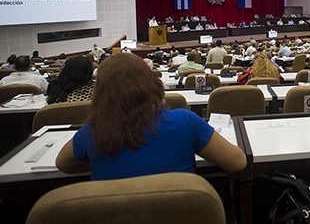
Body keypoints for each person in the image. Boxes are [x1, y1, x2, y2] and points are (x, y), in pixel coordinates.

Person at [56, 53, 246, 180]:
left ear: (100, 92)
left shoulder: (92, 132)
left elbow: (63, 164)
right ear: (149, 83)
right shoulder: (184, 121)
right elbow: (237, 162)